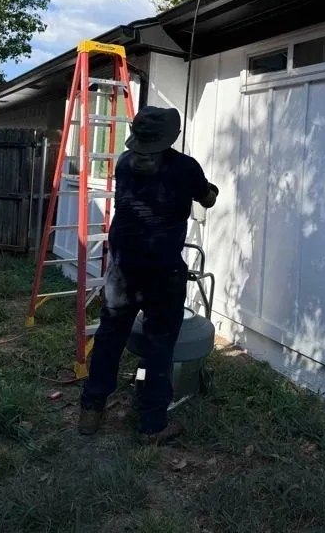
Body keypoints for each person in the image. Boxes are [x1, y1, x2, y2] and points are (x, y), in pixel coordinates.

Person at [78, 106, 218, 443]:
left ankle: (90, 411)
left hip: (122, 268)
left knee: (110, 337)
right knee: (160, 345)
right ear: (170, 136)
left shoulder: (124, 163)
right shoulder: (186, 166)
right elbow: (208, 199)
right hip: (162, 272)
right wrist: (206, 187)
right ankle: (153, 425)